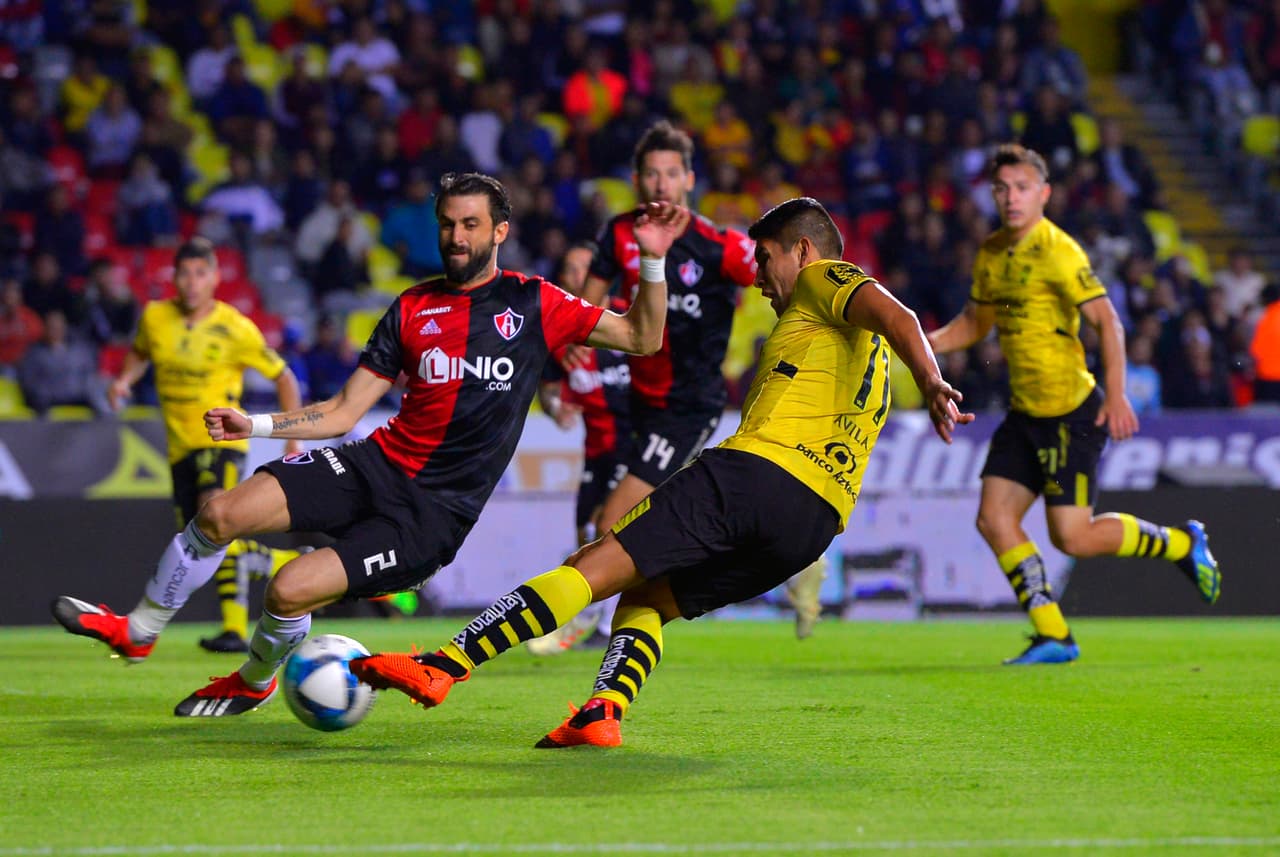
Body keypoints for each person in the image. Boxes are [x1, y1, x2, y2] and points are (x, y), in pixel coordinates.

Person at [52, 173, 688, 717]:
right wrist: (258, 425)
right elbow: (342, 410)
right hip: (372, 464)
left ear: (499, 231)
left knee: (286, 590)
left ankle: (253, 680)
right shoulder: (412, 306)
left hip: (430, 517)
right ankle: (138, 631)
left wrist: (653, 259)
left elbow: (642, 337)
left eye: (470, 225)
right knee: (219, 512)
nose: (456, 237)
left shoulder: (535, 302)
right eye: (447, 224)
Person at [350, 197, 971, 748]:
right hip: (814, 523)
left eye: (765, 259)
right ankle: (602, 712)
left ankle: (443, 665)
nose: (758, 278)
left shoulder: (823, 277)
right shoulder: (854, 349)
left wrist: (932, 380)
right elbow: (890, 328)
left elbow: (899, 315)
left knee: (592, 566)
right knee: (649, 597)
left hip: (754, 475)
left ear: (803, 251)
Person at [926, 144, 1222, 666]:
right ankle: (1054, 635)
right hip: (1025, 413)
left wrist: (1118, 393)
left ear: (1043, 194)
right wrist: (919, 343)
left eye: (1022, 188)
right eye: (1002, 189)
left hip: (1069, 413)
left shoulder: (1059, 251)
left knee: (1074, 537)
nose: (1011, 198)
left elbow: (1108, 321)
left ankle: (1181, 544)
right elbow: (975, 323)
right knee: (994, 519)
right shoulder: (992, 251)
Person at [562, 119, 826, 647]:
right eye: (650, 174)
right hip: (636, 401)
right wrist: (573, 342)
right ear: (637, 180)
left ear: (688, 180)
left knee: (615, 517)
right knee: (618, 515)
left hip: (689, 404)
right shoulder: (620, 234)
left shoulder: (717, 245)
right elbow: (586, 310)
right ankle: (798, 570)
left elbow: (785, 282)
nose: (660, 184)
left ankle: (583, 623)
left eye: (670, 174)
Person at [71, 238, 305, 653]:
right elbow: (140, 353)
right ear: (174, 278)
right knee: (199, 540)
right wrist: (124, 380)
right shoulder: (156, 317)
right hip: (179, 447)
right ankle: (283, 564)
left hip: (221, 438)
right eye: (185, 273)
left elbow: (284, 377)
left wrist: (292, 437)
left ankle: (234, 629)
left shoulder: (235, 327)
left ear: (214, 278)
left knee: (214, 513)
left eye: (201, 273)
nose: (192, 282)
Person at [527, 240, 632, 654]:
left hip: (635, 446)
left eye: (583, 269)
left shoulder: (630, 317)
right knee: (584, 536)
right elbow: (548, 390)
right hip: (597, 450)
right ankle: (592, 617)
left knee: (609, 527)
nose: (575, 278)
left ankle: (602, 625)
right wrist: (557, 409)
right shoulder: (562, 333)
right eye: (568, 270)